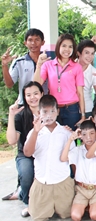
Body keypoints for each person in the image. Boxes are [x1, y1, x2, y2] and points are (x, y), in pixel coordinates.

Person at [23, 95, 75, 220]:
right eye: (45, 111)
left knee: (67, 214)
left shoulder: (66, 132)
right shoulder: (35, 132)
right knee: (38, 216)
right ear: (39, 113)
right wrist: (35, 132)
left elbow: (72, 159)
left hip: (62, 183)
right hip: (42, 183)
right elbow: (27, 153)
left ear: (58, 111)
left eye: (52, 111)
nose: (49, 115)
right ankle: (32, 206)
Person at [6, 81, 44, 217]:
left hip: (44, 154)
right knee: (28, 175)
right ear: (24, 97)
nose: (32, 97)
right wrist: (11, 115)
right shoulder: (21, 115)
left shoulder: (49, 112)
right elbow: (11, 141)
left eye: (35, 93)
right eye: (28, 95)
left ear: (42, 94)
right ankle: (27, 200)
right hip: (26, 155)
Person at [33, 34, 85, 130]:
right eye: (64, 46)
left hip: (72, 109)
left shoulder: (77, 67)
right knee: (55, 138)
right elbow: (36, 84)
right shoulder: (48, 65)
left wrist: (82, 115)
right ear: (58, 47)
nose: (67, 49)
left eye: (70, 46)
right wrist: (39, 65)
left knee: (71, 138)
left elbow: (80, 93)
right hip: (53, 108)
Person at [60, 120, 96, 221]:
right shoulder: (78, 150)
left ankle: (90, 207)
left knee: (94, 215)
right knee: (75, 216)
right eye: (84, 134)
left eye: (92, 133)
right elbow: (63, 158)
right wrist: (70, 140)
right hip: (82, 189)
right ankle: (87, 206)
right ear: (80, 135)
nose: (88, 138)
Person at [2, 28, 48, 105]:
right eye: (30, 40)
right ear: (25, 43)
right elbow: (9, 84)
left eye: (37, 39)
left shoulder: (48, 62)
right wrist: (4, 65)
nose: (33, 43)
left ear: (43, 42)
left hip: (44, 105)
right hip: (24, 104)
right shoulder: (19, 62)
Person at [77, 39, 96, 117]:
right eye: (87, 53)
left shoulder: (94, 71)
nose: (90, 56)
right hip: (70, 108)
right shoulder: (70, 67)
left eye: (92, 53)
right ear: (79, 53)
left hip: (87, 110)